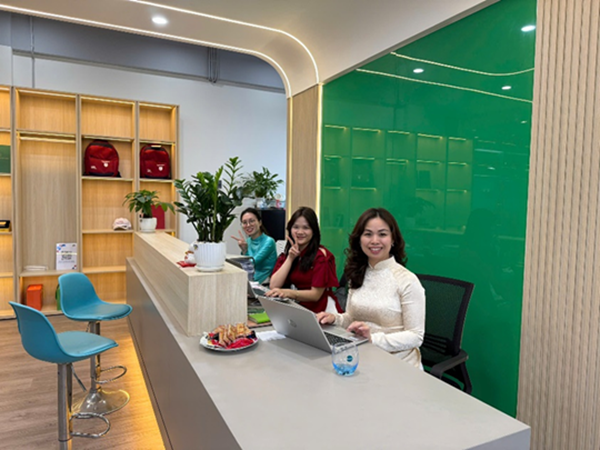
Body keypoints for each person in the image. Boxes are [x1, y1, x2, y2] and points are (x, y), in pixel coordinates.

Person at [317, 208, 425, 369]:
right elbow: (352, 318)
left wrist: (373, 339)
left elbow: (416, 336)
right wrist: (335, 319)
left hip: (397, 363)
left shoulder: (407, 280)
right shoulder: (357, 274)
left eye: (382, 234)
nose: (374, 240)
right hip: (362, 356)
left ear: (393, 239)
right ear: (359, 239)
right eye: (368, 234)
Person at [267, 206, 342, 313]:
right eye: (296, 227)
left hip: (322, 310)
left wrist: (289, 293)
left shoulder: (321, 256)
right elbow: (274, 285)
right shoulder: (288, 254)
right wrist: (290, 258)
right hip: (300, 308)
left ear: (313, 231)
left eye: (306, 228)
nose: (300, 232)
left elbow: (315, 295)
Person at [231, 207, 277, 284]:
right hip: (248, 280)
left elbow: (251, 263)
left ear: (260, 222)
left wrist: (245, 251)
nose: (248, 225)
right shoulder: (247, 241)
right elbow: (245, 265)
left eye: (251, 221)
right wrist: (244, 250)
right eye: (244, 222)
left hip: (263, 283)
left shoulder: (269, 241)